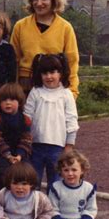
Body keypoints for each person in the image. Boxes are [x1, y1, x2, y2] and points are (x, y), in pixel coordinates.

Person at [10, 0, 79, 98]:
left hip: (54, 86)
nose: (39, 3)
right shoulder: (20, 26)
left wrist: (72, 92)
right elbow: (12, 61)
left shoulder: (65, 28)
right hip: (25, 86)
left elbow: (72, 64)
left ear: (54, 0)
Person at [24, 54, 79, 190]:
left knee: (55, 183)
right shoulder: (35, 92)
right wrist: (26, 139)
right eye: (45, 73)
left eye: (53, 72)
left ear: (60, 73)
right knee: (33, 180)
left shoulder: (66, 94)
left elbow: (72, 121)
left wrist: (69, 146)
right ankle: (32, 207)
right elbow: (27, 116)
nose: (49, 77)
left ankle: (53, 209)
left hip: (57, 148)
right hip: (35, 146)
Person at [48, 150, 100, 219]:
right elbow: (52, 210)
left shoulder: (88, 188)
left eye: (74, 170)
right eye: (66, 170)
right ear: (60, 171)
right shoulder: (56, 187)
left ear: (82, 170)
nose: (70, 173)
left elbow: (91, 209)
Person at [0, 83, 32, 191]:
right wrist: (8, 156)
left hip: (19, 155)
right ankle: (0, 198)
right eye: (4, 100)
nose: (8, 103)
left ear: (20, 102)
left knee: (26, 171)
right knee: (2, 172)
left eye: (12, 100)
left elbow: (26, 139)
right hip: (2, 154)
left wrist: (19, 155)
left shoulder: (25, 119)